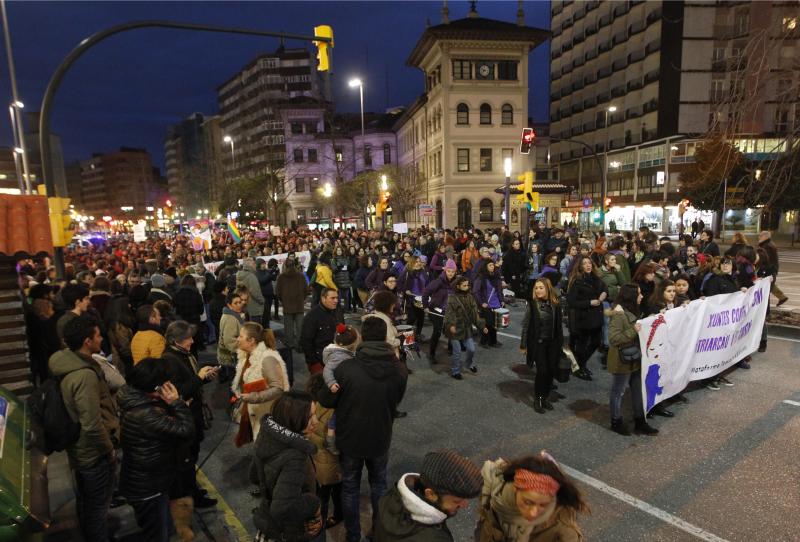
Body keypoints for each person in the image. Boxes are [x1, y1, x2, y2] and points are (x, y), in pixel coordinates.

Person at [316, 317, 408, 542]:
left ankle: (353, 535)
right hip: (380, 435)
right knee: (379, 485)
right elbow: (396, 400)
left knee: (350, 487)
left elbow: (327, 400)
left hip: (350, 438)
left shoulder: (347, 368)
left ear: (363, 337)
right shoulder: (399, 370)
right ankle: (378, 532)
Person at [49, 314, 120, 542]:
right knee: (97, 509)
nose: (101, 338)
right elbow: (91, 422)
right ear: (87, 341)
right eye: (98, 335)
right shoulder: (84, 375)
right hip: (92, 453)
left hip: (81, 450)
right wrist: (108, 449)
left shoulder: (66, 361)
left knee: (87, 503)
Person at [118, 358, 195, 542]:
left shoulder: (132, 398)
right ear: (155, 387)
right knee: (158, 535)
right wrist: (177, 404)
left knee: (163, 529)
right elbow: (186, 431)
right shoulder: (145, 414)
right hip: (148, 488)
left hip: (146, 482)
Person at [161, 320, 219, 513]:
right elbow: (178, 393)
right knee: (185, 461)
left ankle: (192, 490)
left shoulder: (183, 354)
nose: (192, 341)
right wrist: (199, 378)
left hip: (193, 415)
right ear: (176, 341)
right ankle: (189, 496)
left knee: (191, 457)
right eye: (188, 338)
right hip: (185, 417)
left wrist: (204, 377)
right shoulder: (170, 360)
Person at [250, 391, 324, 542]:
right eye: (310, 417)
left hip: (268, 522)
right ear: (294, 419)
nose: (316, 422)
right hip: (294, 530)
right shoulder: (294, 457)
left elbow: (253, 475)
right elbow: (282, 508)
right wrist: (314, 506)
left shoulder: (268, 436)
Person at [374, 449, 483, 542]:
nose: (465, 504)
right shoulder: (435, 538)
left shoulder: (390, 497)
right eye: (456, 501)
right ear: (430, 494)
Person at [476, 452, 589, 542]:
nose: (533, 513)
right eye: (528, 502)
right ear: (515, 488)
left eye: (543, 505)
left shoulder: (561, 524)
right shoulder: (495, 497)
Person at [607, 284, 659, 436]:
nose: (641, 296)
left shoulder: (631, 311)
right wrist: (633, 330)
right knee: (618, 391)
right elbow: (613, 338)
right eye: (639, 293)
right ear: (631, 296)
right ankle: (615, 421)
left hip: (634, 357)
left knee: (637, 390)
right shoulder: (619, 314)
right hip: (621, 359)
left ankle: (640, 421)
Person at [232, 322, 290, 446]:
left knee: (267, 447)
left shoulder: (267, 359)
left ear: (251, 340)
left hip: (266, 415)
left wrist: (254, 397)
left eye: (241, 336)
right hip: (256, 412)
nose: (238, 339)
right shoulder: (246, 356)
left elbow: (278, 388)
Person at [305, 374, 344, 532]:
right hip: (330, 461)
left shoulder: (314, 407)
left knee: (324, 495)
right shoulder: (336, 408)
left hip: (324, 462)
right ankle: (337, 514)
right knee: (333, 491)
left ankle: (326, 520)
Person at [520, 279, 563, 414]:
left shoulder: (555, 304)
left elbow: (559, 327)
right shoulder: (532, 305)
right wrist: (523, 344)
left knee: (550, 371)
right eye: (536, 288)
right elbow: (526, 325)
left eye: (541, 288)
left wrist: (561, 345)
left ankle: (544, 397)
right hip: (538, 344)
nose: (538, 290)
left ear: (547, 289)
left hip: (553, 343)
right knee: (542, 371)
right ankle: (537, 398)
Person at [566, 256, 607, 381]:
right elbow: (571, 301)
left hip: (597, 316)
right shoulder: (577, 281)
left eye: (589, 263)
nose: (588, 265)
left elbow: (604, 289)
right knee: (582, 345)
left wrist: (604, 294)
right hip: (583, 317)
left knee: (596, 342)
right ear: (580, 266)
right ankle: (578, 367)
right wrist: (589, 302)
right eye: (584, 263)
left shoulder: (596, 278)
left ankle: (580, 363)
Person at [321, 324, 360, 454]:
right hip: (339, 389)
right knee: (336, 417)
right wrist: (331, 383)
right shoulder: (339, 356)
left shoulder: (336, 351)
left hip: (340, 386)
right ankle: (330, 441)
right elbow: (327, 370)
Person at [444, 275, 488, 380]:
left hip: (466, 328)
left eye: (468, 285)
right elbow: (449, 313)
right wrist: (451, 325)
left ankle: (469, 364)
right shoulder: (452, 298)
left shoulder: (470, 297)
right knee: (457, 351)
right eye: (464, 285)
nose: (467, 287)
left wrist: (482, 326)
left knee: (471, 349)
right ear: (458, 286)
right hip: (455, 328)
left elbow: (474, 315)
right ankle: (455, 371)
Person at [300, 288, 344, 374]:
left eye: (337, 298)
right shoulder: (312, 316)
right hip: (320, 361)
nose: (336, 300)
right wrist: (314, 363)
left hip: (338, 357)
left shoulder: (337, 312)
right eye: (332, 298)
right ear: (323, 298)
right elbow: (306, 341)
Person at [422, 259, 458, 362]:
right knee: (437, 332)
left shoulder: (456, 283)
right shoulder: (438, 282)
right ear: (445, 271)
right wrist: (426, 306)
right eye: (449, 271)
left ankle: (450, 348)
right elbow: (426, 292)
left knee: (451, 330)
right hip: (436, 310)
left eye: (452, 271)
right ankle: (432, 354)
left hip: (450, 311)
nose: (450, 273)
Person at [275, 258, 309, 352]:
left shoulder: (281, 277)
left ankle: (289, 344)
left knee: (288, 327)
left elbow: (277, 292)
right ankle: (299, 345)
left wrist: (282, 300)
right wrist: (302, 298)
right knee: (300, 326)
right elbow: (306, 289)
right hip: (299, 304)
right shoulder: (300, 275)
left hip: (287, 305)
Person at [473, 260, 504, 348]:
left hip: (496, 303)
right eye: (490, 265)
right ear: (485, 266)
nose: (492, 267)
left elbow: (499, 290)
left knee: (495, 324)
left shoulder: (496, 276)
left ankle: (493, 341)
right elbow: (476, 291)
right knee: (488, 323)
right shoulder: (481, 277)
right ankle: (483, 341)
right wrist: (481, 302)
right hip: (486, 304)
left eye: (493, 265)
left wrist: (501, 300)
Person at [218, 289, 248, 380]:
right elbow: (229, 341)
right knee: (235, 382)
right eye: (236, 303)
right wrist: (244, 348)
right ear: (229, 305)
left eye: (240, 302)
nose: (240, 304)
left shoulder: (233, 314)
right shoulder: (230, 319)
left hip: (231, 355)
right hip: (232, 357)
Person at [758, 230, 788, 306]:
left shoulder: (767, 246)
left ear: (765, 236)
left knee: (767, 286)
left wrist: (761, 266)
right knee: (770, 284)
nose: (759, 237)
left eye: (761, 235)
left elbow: (765, 259)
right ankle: (782, 297)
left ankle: (765, 307)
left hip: (769, 269)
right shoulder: (768, 244)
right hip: (771, 268)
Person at [237, 258, 266, 325]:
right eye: (254, 264)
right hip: (254, 307)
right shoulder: (251, 276)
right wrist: (262, 300)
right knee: (255, 329)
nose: (255, 265)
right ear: (250, 265)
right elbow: (255, 292)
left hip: (246, 306)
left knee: (248, 328)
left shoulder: (240, 275)